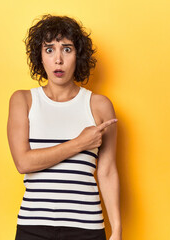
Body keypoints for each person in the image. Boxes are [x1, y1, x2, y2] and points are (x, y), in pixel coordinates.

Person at [7, 14, 122, 240]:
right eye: (49, 50)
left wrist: (117, 229)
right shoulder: (24, 101)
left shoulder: (99, 106)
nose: (58, 59)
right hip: (33, 227)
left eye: (67, 49)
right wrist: (80, 143)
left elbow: (107, 172)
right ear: (40, 56)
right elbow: (23, 162)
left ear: (77, 55)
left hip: (86, 227)